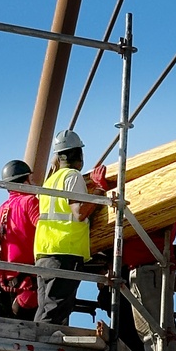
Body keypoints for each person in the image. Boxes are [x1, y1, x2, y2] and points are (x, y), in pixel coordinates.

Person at [33, 130, 106, 325]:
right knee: (56, 308)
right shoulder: (72, 176)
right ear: (78, 154)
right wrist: (99, 190)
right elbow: (79, 212)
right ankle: (43, 348)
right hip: (65, 251)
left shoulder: (50, 181)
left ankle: (41, 343)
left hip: (45, 251)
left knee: (46, 307)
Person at [124, 224, 176, 351]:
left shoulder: (153, 210)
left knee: (157, 329)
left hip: (150, 267)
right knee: (152, 329)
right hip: (147, 266)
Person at [0, 160, 40, 320]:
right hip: (26, 282)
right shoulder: (30, 201)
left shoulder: (2, 209)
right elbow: (44, 230)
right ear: (26, 180)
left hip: (4, 282)